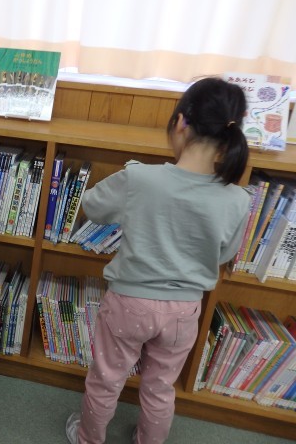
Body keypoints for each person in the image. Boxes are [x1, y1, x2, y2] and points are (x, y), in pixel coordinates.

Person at [65, 77, 251, 444]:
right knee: (161, 387)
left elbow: (92, 206)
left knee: (106, 380)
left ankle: (88, 439)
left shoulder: (140, 177)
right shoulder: (238, 199)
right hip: (184, 311)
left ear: (181, 122)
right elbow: (225, 255)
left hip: (129, 303)